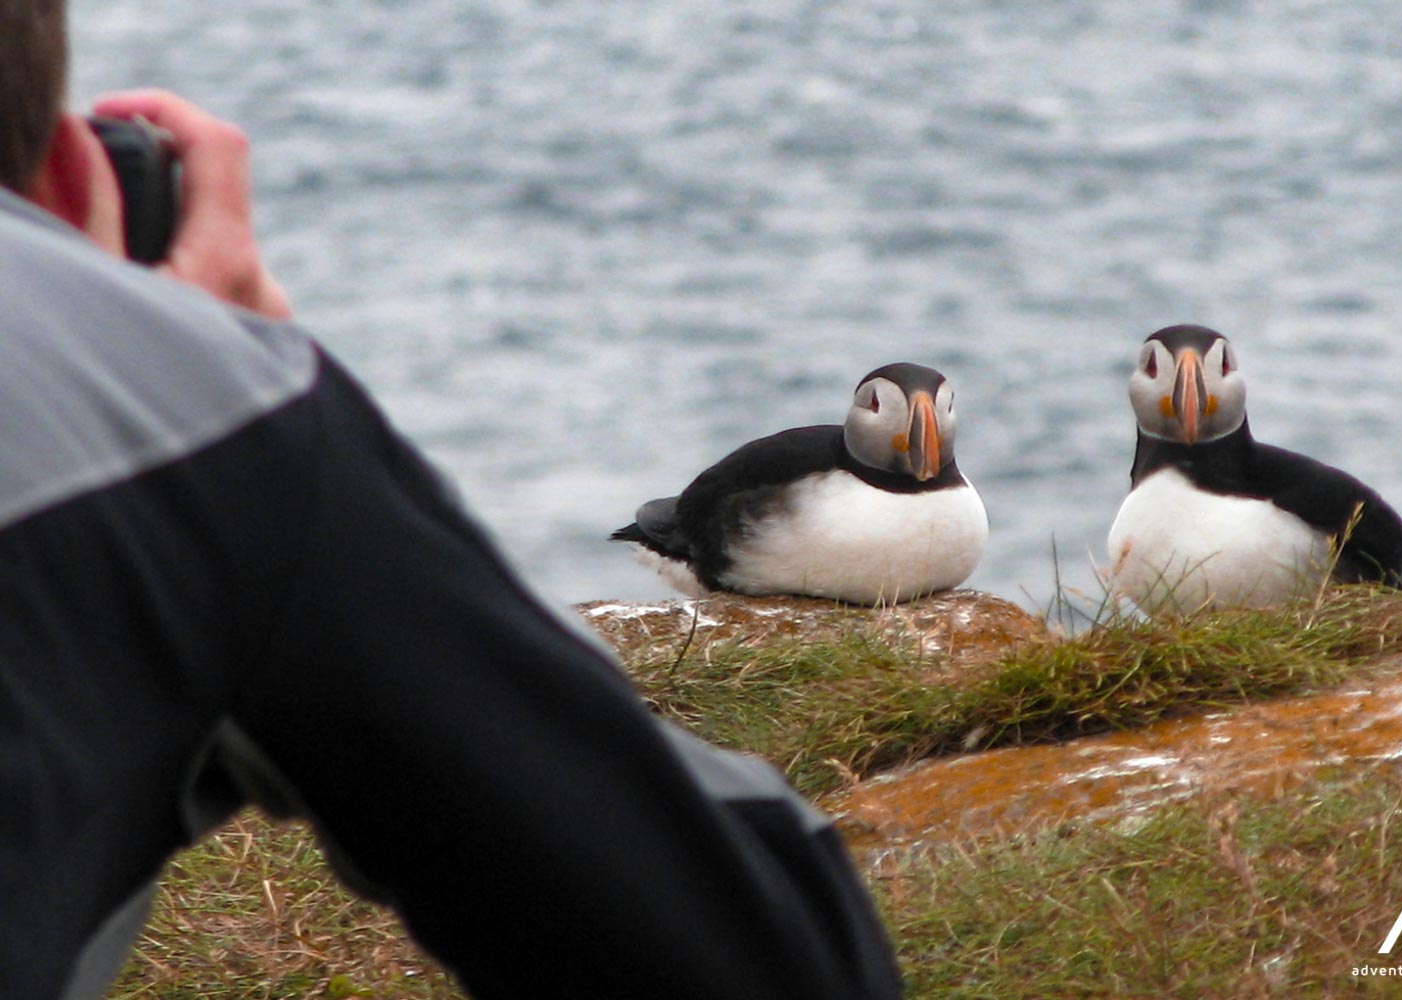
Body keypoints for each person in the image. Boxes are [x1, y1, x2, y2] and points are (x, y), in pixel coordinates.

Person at [0, 3, 905, 998]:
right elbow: (770, 954)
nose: (919, 441)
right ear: (77, 175)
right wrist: (207, 397)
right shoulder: (192, 420)